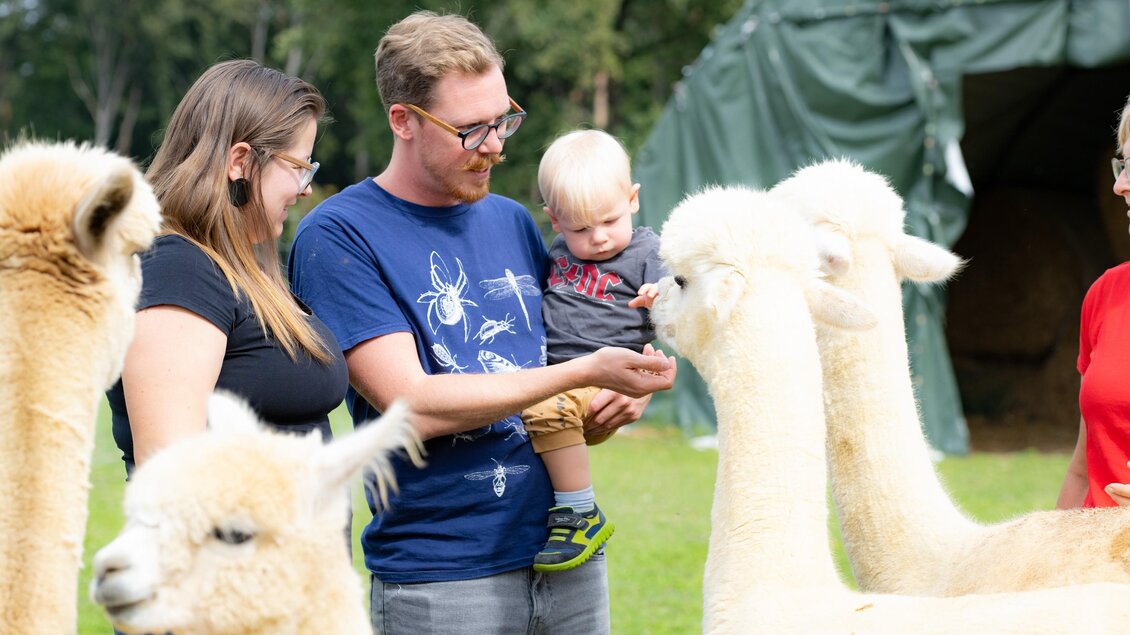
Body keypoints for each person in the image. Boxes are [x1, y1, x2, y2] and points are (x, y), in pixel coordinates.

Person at [287, 11, 676, 634]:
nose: (495, 144)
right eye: (471, 129)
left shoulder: (515, 222)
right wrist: (582, 371)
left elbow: (539, 388)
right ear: (403, 121)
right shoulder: (338, 235)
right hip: (443, 576)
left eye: (503, 120)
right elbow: (411, 407)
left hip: (567, 553)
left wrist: (603, 405)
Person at [106, 59, 347, 477]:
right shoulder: (177, 270)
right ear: (240, 161)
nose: (306, 187)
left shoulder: (232, 268)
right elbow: (169, 476)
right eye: (299, 167)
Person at [521, 129, 666, 573]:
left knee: (543, 411)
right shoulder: (560, 250)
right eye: (582, 227)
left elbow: (676, 284)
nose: (599, 237)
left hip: (601, 376)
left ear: (632, 199)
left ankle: (579, 510)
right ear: (555, 220)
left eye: (609, 220)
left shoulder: (647, 249)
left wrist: (658, 290)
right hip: (558, 372)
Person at [1058, 94, 1130, 509]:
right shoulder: (1106, 294)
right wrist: (1043, 565)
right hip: (1091, 563)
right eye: (1123, 164)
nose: (1119, 185)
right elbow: (1082, 470)